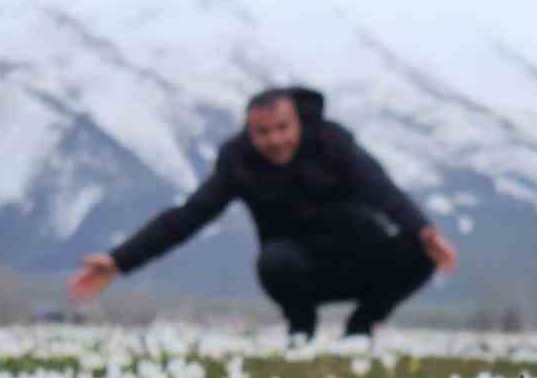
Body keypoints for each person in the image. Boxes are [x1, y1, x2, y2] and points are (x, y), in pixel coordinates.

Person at [67, 86, 457, 339]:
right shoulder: (239, 162)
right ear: (249, 132)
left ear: (298, 122)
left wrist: (422, 230)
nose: (275, 140)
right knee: (273, 262)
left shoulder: (332, 141)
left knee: (422, 253)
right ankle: (300, 330)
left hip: (361, 253)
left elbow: (380, 187)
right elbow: (188, 217)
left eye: (282, 128)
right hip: (298, 266)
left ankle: (362, 324)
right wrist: (120, 260)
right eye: (263, 132)